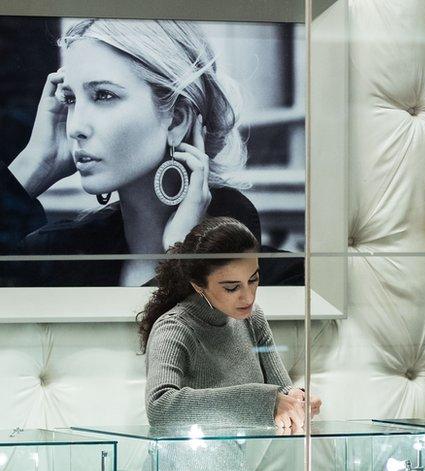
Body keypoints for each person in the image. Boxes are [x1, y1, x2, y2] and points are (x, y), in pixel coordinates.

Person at [0, 18, 291, 287]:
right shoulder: (54, 259)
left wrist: (183, 259)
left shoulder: (282, 279)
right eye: (71, 99)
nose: (75, 126)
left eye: (104, 95)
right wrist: (33, 165)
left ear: (176, 119)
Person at [139, 216, 321, 429]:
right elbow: (160, 408)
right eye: (232, 288)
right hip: (183, 461)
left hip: (248, 460)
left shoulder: (253, 319)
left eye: (253, 279)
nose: (248, 297)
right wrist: (264, 401)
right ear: (198, 285)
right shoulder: (174, 329)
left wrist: (297, 399)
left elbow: (280, 391)